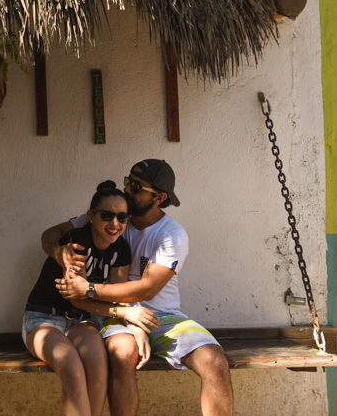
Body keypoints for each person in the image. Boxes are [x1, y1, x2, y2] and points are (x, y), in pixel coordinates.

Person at [49, 159, 233, 416]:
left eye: (136, 187)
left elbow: (146, 290)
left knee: (215, 360)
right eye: (128, 182)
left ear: (159, 198)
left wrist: (88, 289)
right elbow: (51, 234)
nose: (128, 191)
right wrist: (61, 252)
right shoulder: (112, 215)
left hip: (163, 316)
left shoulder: (172, 234)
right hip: (113, 313)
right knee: (124, 354)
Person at [23, 181, 159, 416]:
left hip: (81, 322)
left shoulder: (121, 250)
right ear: (91, 216)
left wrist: (135, 327)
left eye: (122, 217)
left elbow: (118, 296)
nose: (114, 224)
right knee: (71, 366)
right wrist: (125, 313)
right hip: (44, 318)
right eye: (107, 215)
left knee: (98, 366)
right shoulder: (76, 243)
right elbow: (77, 297)